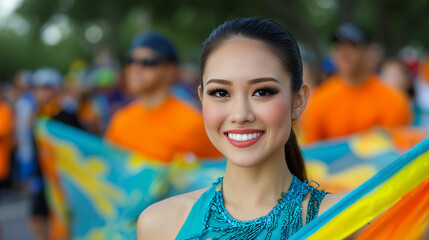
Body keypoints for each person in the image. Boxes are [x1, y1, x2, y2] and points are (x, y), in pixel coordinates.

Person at [137, 17, 365, 239]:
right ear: (202, 99)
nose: (240, 115)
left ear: (298, 100)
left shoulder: (345, 222)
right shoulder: (160, 225)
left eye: (263, 91)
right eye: (220, 93)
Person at [105, 31, 221, 162]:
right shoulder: (120, 121)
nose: (135, 68)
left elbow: (221, 171)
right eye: (131, 61)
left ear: (171, 70)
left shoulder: (192, 124)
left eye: (148, 62)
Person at [302, 23, 412, 143]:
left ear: (367, 52)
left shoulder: (393, 100)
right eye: (338, 46)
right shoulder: (318, 101)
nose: (343, 53)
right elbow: (312, 153)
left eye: (352, 46)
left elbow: (398, 152)